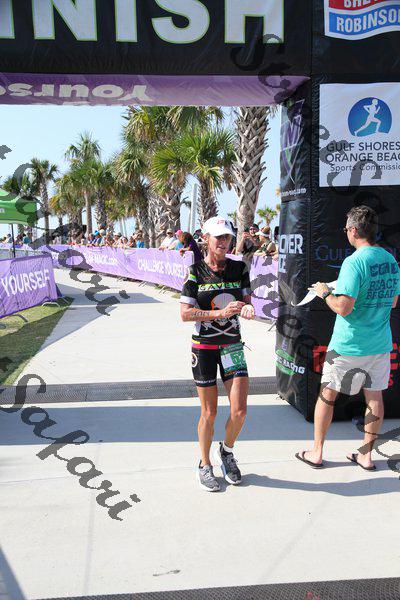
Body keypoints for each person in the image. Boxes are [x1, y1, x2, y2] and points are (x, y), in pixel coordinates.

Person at [296, 206, 400, 471]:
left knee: (327, 395)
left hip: (348, 344)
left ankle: (316, 452)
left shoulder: (354, 262)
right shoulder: (390, 260)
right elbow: (393, 301)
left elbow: (343, 307)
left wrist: (324, 292)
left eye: (346, 229)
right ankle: (366, 456)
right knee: (374, 398)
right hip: (380, 343)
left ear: (353, 230)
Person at [180, 216, 255, 492]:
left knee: (240, 411)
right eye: (218, 237)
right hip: (204, 348)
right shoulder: (195, 271)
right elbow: (185, 314)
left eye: (227, 237)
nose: (223, 242)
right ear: (206, 239)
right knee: (209, 413)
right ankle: (204, 464)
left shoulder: (239, 268)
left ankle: (226, 451)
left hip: (232, 346)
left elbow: (246, 301)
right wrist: (219, 314)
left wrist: (247, 308)